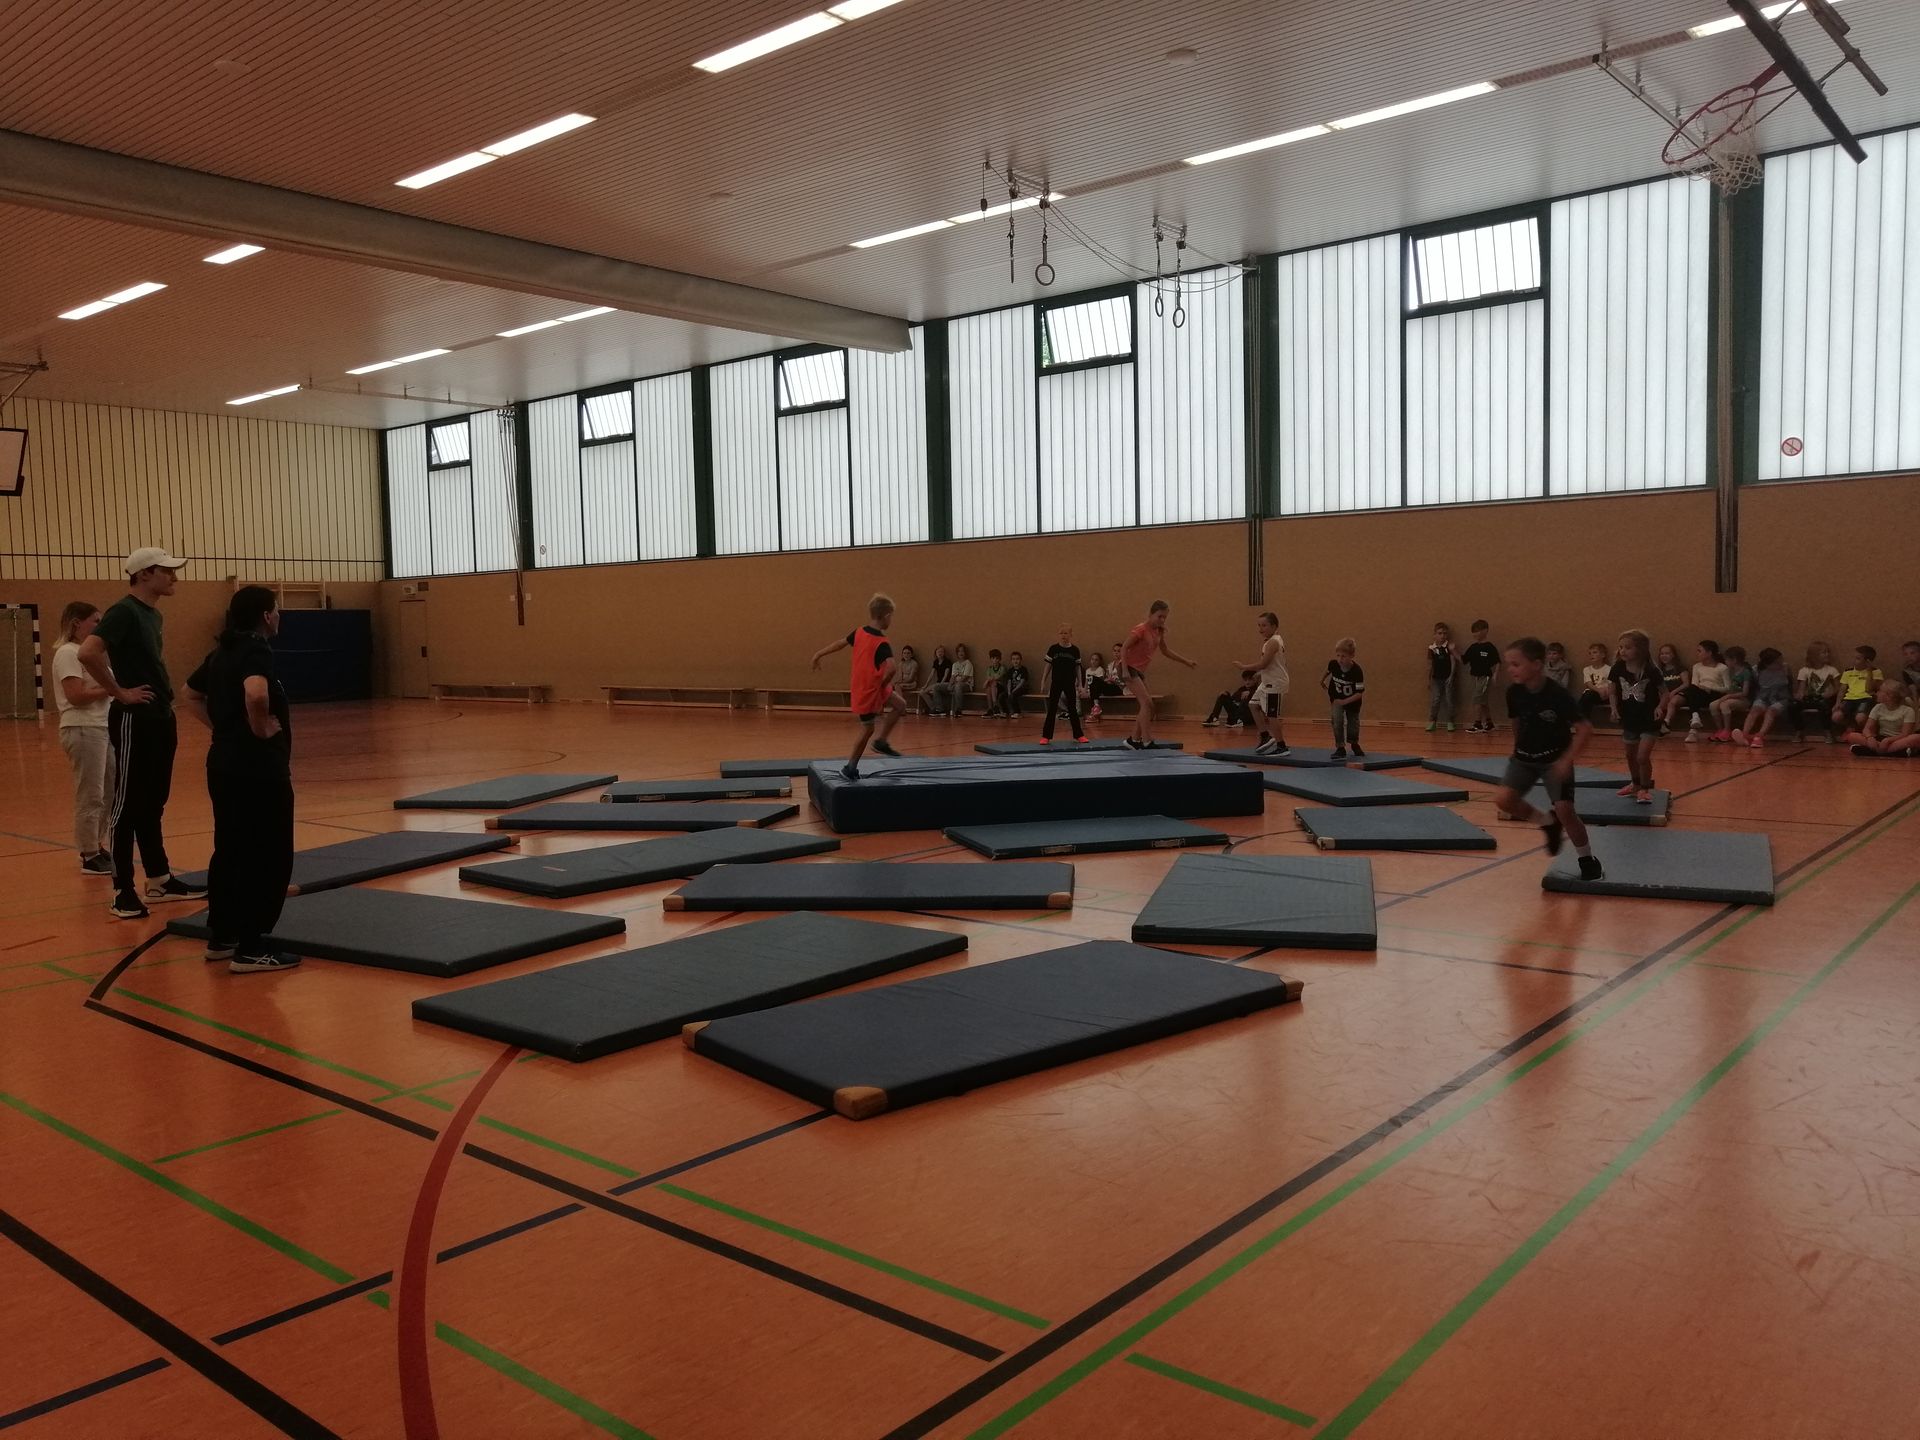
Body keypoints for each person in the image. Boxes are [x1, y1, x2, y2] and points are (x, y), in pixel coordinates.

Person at [80, 546, 207, 920]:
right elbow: (89, 652)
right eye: (166, 571)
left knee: (154, 801)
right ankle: (122, 890)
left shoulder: (153, 614)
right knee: (127, 804)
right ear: (145, 574)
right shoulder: (124, 611)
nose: (174, 577)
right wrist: (119, 692)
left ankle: (159, 878)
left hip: (159, 716)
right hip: (134, 718)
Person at [180, 586, 299, 973]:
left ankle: (223, 936)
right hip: (258, 770)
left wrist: (224, 729)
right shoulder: (255, 649)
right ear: (265, 616)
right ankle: (251, 946)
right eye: (276, 610)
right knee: (268, 854)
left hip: (224, 765)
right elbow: (256, 693)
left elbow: (189, 693)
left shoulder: (222, 651)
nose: (279, 616)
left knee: (230, 849)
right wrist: (259, 729)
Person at [1495, 636, 1604, 880]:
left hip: (1554, 760)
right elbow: (1516, 721)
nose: (1510, 669)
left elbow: (1585, 729)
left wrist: (1566, 760)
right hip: (1524, 758)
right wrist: (1517, 749)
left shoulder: (1557, 695)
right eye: (1509, 664)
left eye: (1516, 664)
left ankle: (1587, 858)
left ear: (1536, 665)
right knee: (1503, 800)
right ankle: (1547, 823)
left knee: (1565, 811)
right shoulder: (1514, 692)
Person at [810, 593, 905, 780]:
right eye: (891, 616)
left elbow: (840, 644)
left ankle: (881, 742)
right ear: (886, 616)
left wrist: (818, 654)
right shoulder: (881, 642)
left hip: (871, 685)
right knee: (868, 728)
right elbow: (893, 668)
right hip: (869, 690)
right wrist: (882, 686)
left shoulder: (859, 632)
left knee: (900, 705)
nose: (891, 620)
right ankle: (850, 768)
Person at [51, 602, 116, 875]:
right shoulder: (68, 653)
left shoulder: (93, 655)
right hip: (82, 727)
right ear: (77, 624)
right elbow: (76, 696)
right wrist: (113, 689)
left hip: (102, 727)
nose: (100, 626)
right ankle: (88, 853)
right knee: (91, 792)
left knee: (110, 789)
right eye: (95, 621)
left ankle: (97, 843)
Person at [1120, 601, 1197, 749]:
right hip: (1128, 668)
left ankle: (1133, 739)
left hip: (1139, 670)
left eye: (1164, 617)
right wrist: (1124, 670)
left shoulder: (1158, 631)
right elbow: (1124, 647)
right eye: (1159, 616)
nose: (1162, 620)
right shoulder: (1141, 629)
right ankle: (1146, 740)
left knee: (1149, 706)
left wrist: (1186, 661)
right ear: (1151, 614)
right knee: (1146, 704)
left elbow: (1166, 651)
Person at [1608, 629, 1662, 804]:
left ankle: (1645, 789)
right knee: (1630, 756)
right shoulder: (1618, 668)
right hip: (1629, 718)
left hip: (1649, 719)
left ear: (1640, 649)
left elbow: (1665, 693)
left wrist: (1660, 707)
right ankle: (1635, 784)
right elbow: (1612, 691)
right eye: (1621, 647)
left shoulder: (1651, 670)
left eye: (1628, 647)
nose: (1623, 651)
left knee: (1642, 757)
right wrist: (1613, 708)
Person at [1234, 612, 1292, 757]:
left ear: (1274, 626)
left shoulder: (1273, 642)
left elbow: (1263, 664)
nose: (1260, 629)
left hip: (1275, 683)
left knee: (1272, 715)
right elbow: (1274, 664)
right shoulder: (1270, 641)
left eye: (1264, 625)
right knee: (1253, 705)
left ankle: (1282, 746)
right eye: (1259, 625)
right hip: (1267, 681)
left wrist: (1243, 667)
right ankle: (1265, 736)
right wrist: (1260, 674)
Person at [1039, 625, 1087, 744]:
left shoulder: (1074, 650)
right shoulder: (1053, 649)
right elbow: (1048, 666)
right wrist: (1043, 680)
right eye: (1061, 633)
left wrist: (1080, 685)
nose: (1063, 635)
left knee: (1072, 709)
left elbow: (1077, 668)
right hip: (1056, 682)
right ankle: (1046, 736)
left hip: (1070, 683)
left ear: (1071, 635)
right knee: (1052, 708)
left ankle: (1079, 735)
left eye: (1066, 633)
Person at [1735, 648, 1792, 748]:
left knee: (1771, 711)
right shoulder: (1756, 670)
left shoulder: (1785, 668)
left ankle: (1760, 736)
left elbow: (1790, 684)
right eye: (1776, 662)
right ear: (1767, 664)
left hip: (1780, 697)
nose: (1780, 663)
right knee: (1755, 710)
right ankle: (1744, 734)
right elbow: (1754, 686)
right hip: (1763, 696)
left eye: (1781, 660)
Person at [1847, 679, 1919, 756]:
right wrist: (1869, 737)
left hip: (1897, 739)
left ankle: (1874, 751)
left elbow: (1905, 734)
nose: (1877, 693)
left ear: (1889, 696)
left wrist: (1888, 740)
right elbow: (1867, 728)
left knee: (1916, 738)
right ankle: (1895, 752)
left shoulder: (1907, 710)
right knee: (1852, 736)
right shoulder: (1878, 707)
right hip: (1881, 739)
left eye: (1880, 691)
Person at [1677, 640, 1731, 742]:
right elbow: (1695, 683)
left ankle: (1693, 728)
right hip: (1699, 693)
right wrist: (1702, 688)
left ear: (1709, 653)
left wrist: (1710, 688)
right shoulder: (1697, 666)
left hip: (1715, 694)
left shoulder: (1722, 668)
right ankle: (1695, 718)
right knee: (1692, 691)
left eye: (1699, 651)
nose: (1697, 653)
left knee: (1691, 695)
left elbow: (1728, 688)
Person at [1322, 638, 1365, 759]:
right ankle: (1340, 747)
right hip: (1337, 698)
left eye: (1344, 656)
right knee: (1336, 721)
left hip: (1352, 702)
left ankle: (1354, 743)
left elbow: (1359, 693)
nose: (1340, 659)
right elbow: (1328, 670)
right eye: (1338, 655)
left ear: (1352, 656)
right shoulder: (1334, 664)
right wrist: (1322, 680)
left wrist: (1344, 701)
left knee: (1353, 724)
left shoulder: (1357, 671)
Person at [1792, 640, 1839, 742]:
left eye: (1828, 652)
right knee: (1793, 705)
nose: (1827, 654)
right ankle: (1799, 731)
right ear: (1814, 656)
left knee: (1824, 705)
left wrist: (1830, 693)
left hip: (1826, 698)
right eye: (1824, 652)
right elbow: (1801, 689)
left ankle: (1827, 732)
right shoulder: (1804, 670)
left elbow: (1837, 688)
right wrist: (1800, 695)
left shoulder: (1832, 670)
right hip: (1811, 698)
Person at [1831, 645, 1884, 736]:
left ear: (1867, 661)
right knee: (1836, 716)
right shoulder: (1848, 671)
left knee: (1860, 718)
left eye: (1858, 658)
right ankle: (1850, 727)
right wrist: (1837, 703)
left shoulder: (1876, 672)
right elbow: (1842, 690)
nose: (1854, 660)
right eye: (1854, 657)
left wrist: (1869, 671)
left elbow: (1869, 689)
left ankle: (1862, 731)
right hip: (1849, 699)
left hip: (1866, 698)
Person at [1461, 620, 1502, 733]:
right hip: (1475, 677)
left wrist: (1495, 674)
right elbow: (1463, 660)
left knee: (1477, 699)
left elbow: (1497, 661)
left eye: (1477, 631)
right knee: (1482, 701)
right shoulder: (1473, 647)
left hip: (1485, 677)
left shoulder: (1489, 647)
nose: (1475, 634)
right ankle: (1489, 723)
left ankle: (1478, 724)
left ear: (1485, 631)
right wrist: (1453, 650)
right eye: (1474, 632)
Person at [1708, 646, 1753, 742]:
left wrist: (1728, 696)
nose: (1725, 662)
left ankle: (1727, 730)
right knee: (1713, 705)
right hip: (1732, 697)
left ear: (1734, 660)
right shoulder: (1731, 672)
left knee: (1724, 704)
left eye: (1727, 660)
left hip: (1743, 700)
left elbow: (1745, 693)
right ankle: (1720, 729)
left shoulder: (1746, 672)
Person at [1425, 622, 1459, 733]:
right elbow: (1430, 665)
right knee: (1436, 700)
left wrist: (1451, 676)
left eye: (1444, 633)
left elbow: (1453, 662)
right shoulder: (1432, 648)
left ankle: (1450, 721)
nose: (1442, 636)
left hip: (1448, 678)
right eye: (1440, 633)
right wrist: (1428, 679)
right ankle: (1432, 721)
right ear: (1435, 635)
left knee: (1449, 700)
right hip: (1436, 678)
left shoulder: (1449, 647)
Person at [1651, 642, 1688, 733]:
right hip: (1665, 695)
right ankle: (1659, 725)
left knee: (1672, 702)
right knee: (1658, 706)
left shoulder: (1680, 668)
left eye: (1667, 653)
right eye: (1662, 654)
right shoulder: (1659, 671)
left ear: (1673, 655)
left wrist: (1674, 691)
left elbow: (1686, 684)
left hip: (1680, 694)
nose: (1664, 656)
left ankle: (1667, 721)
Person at [1085, 644, 1126, 719]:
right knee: (1093, 679)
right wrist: (1107, 680)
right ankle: (1096, 706)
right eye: (1115, 651)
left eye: (1119, 651)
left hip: (1119, 688)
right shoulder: (1110, 665)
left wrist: (1115, 681)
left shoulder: (1125, 664)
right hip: (1110, 686)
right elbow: (1107, 678)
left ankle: (1094, 709)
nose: (1116, 653)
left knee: (1096, 686)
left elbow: (1126, 679)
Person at [1577, 643, 1613, 723]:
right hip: (1593, 694)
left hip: (1605, 694)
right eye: (1590, 653)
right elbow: (1589, 684)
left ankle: (1581, 720)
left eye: (1595, 652)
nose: (1591, 655)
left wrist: (1605, 691)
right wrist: (1598, 690)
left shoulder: (1609, 669)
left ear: (1603, 655)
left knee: (1587, 696)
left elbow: (1611, 684)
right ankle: (1583, 720)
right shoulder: (1587, 669)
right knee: (1587, 695)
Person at [919, 645, 954, 716]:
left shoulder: (947, 662)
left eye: (941, 652)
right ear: (935, 653)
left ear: (944, 653)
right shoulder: (936, 662)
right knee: (922, 692)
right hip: (938, 683)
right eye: (938, 652)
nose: (940, 653)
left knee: (936, 687)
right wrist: (926, 685)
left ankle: (940, 709)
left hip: (946, 683)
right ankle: (933, 708)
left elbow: (946, 674)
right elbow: (931, 674)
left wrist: (940, 684)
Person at [1000, 651, 1031, 719]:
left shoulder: (1023, 669)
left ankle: (1017, 712)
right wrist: (1009, 691)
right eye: (1013, 659)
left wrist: (1014, 691)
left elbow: (1022, 682)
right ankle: (1005, 712)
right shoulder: (1010, 670)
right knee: (1001, 696)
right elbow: (1009, 682)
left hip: (1022, 688)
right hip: (1012, 688)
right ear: (1011, 661)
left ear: (1020, 660)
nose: (1015, 661)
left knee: (1013, 695)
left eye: (1017, 659)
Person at [948, 643, 976, 717]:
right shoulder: (955, 664)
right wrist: (950, 685)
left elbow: (964, 678)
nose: (961, 653)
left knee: (958, 686)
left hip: (966, 685)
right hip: (955, 684)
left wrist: (954, 684)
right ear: (957, 653)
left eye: (962, 651)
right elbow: (952, 677)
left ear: (965, 653)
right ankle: (939, 709)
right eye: (959, 651)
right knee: (938, 687)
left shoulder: (968, 663)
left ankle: (958, 709)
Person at [894, 644, 922, 710]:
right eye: (904, 653)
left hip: (912, 683)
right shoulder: (901, 664)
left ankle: (901, 706)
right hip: (902, 683)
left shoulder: (914, 664)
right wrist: (897, 682)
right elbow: (900, 677)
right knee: (891, 686)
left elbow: (911, 678)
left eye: (908, 653)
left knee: (898, 686)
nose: (906, 655)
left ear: (911, 655)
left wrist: (900, 683)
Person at [981, 649, 1007, 718]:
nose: (995, 660)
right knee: (988, 687)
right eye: (993, 658)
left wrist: (990, 679)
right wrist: (987, 681)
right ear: (991, 659)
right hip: (992, 687)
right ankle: (990, 709)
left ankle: (995, 705)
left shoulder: (1002, 668)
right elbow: (986, 683)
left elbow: (998, 677)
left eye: (997, 658)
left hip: (1001, 687)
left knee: (993, 683)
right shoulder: (989, 669)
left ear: (1000, 659)